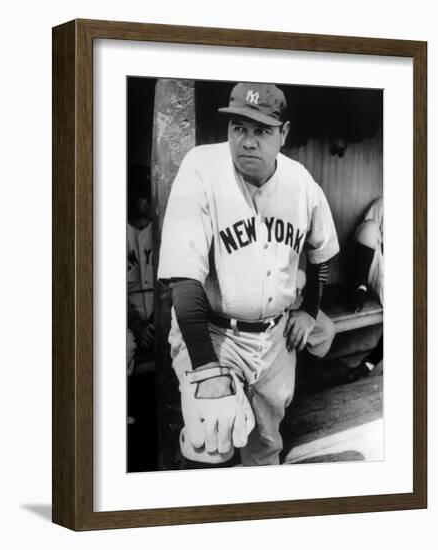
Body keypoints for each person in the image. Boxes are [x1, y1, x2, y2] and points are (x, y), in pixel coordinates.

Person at [158, 82, 339, 466]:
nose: (248, 141)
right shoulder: (202, 168)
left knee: (265, 448)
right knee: (211, 441)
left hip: (274, 340)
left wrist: (309, 310)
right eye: (239, 127)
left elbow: (321, 251)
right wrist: (207, 369)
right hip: (213, 331)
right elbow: (184, 278)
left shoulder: (301, 181)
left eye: (261, 130)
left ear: (283, 133)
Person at [348, 197, 383, 379]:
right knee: (369, 227)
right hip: (379, 264)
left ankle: (369, 364)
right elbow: (363, 235)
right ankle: (359, 287)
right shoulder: (383, 203)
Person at [127, 164, 155, 374]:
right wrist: (136, 325)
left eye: (150, 193)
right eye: (142, 195)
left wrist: (155, 323)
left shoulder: (162, 230)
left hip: (159, 321)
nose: (148, 200)